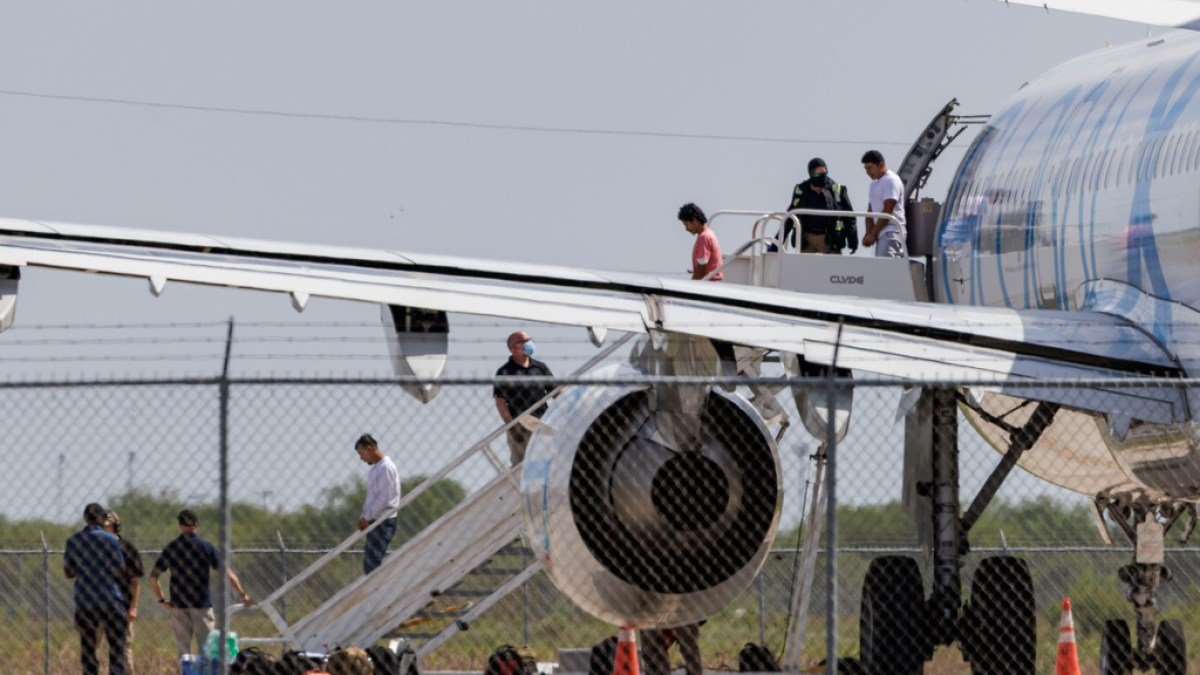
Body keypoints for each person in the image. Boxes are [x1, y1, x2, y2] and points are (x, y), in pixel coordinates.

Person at [149, 508, 252, 661]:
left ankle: (185, 670)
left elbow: (153, 577)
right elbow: (228, 574)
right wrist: (243, 594)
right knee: (207, 649)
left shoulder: (172, 548)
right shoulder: (206, 547)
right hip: (202, 604)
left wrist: (162, 600)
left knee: (183, 651)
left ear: (180, 525)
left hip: (178, 604)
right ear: (197, 524)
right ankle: (206, 670)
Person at [64, 502, 127, 675]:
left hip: (85, 600)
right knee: (116, 648)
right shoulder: (110, 540)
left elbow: (68, 572)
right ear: (103, 518)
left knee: (88, 648)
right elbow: (120, 568)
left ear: (85, 518)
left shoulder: (73, 541)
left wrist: (85, 569)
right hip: (110, 599)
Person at [493, 331, 555, 466]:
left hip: (543, 419)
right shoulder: (504, 372)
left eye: (529, 340)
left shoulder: (540, 367)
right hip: (520, 421)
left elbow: (556, 392)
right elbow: (500, 402)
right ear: (514, 348)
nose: (529, 343)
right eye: (525, 341)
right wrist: (511, 425)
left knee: (546, 458)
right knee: (521, 464)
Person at [782, 157, 858, 254]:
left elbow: (849, 217)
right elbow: (790, 216)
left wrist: (853, 242)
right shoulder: (801, 190)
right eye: (817, 173)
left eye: (824, 172)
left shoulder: (837, 190)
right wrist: (778, 241)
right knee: (805, 264)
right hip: (806, 240)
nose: (821, 176)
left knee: (833, 264)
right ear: (811, 173)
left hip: (831, 240)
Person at [355, 433, 403, 575]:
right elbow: (372, 498)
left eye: (361, 453)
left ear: (369, 448)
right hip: (375, 520)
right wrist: (364, 516)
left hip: (384, 520)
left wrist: (366, 517)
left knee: (373, 563)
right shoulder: (376, 469)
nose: (361, 458)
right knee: (370, 564)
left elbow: (384, 497)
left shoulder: (385, 467)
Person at [103, 511, 143, 674]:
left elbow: (136, 581)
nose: (102, 529)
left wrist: (133, 607)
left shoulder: (127, 548)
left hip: (122, 606)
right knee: (95, 646)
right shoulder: (97, 548)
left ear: (115, 526)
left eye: (106, 526)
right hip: (99, 605)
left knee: (123, 647)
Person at [861, 150, 908, 258]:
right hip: (881, 233)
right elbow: (870, 211)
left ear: (881, 165)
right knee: (881, 265)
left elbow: (888, 210)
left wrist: (873, 233)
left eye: (870, 168)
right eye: (866, 169)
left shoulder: (891, 180)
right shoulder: (873, 184)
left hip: (891, 231)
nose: (868, 172)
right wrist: (868, 233)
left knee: (887, 266)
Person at [677, 202, 723, 280]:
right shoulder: (709, 233)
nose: (686, 229)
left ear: (694, 220)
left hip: (708, 283)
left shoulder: (704, 237)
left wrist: (693, 283)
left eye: (687, 225)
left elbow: (702, 264)